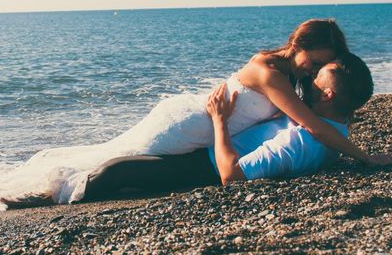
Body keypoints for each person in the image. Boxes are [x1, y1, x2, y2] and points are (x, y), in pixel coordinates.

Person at [0, 20, 389, 206]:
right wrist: (364, 157)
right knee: (118, 164)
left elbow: (312, 125)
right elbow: (314, 126)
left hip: (214, 140)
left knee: (126, 168)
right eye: (315, 60)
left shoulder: (292, 75)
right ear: (300, 43)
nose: (314, 71)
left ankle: (57, 193)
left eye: (323, 67)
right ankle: (51, 191)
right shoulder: (270, 73)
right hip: (190, 126)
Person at [82, 53, 389, 201]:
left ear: (328, 95)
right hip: (206, 156)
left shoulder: (303, 141)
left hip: (204, 168)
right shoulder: (334, 127)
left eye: (316, 79)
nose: (308, 80)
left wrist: (220, 121)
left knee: (115, 171)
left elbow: (233, 176)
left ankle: (73, 199)